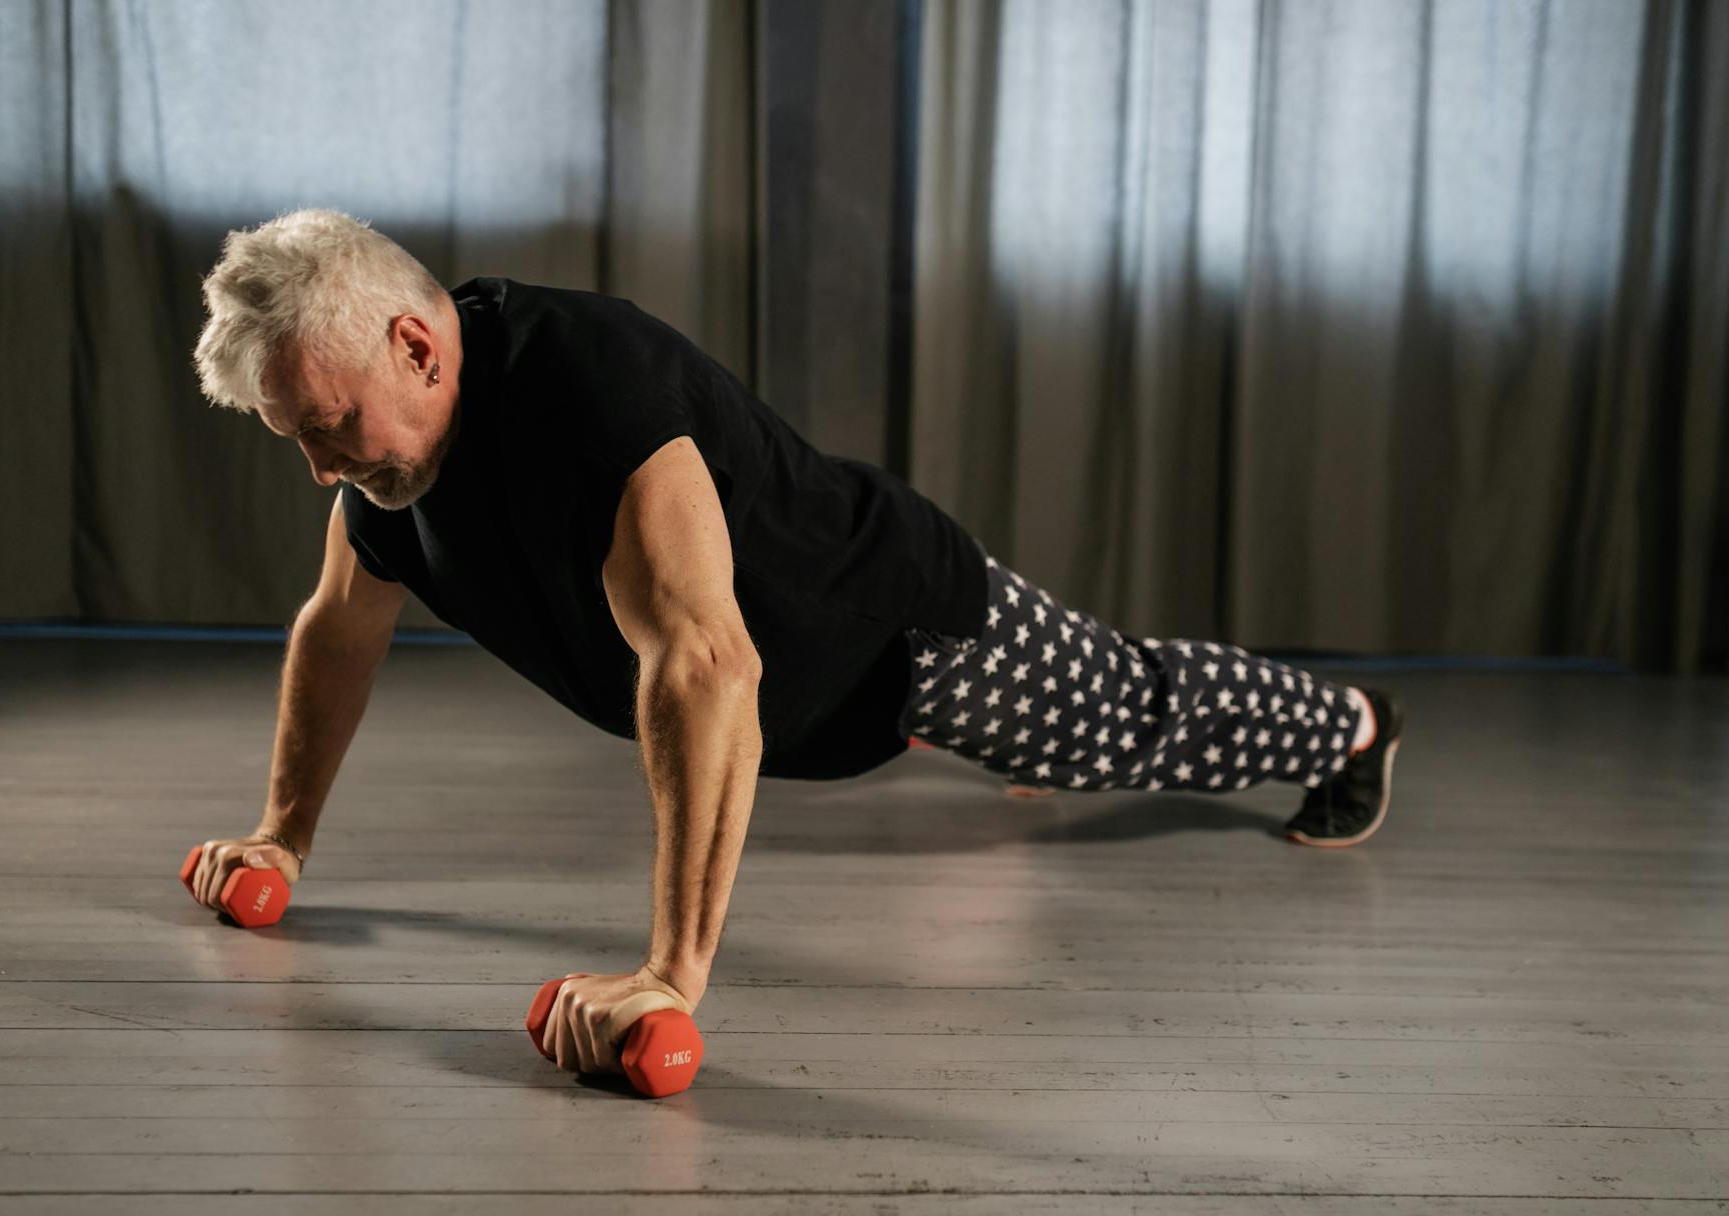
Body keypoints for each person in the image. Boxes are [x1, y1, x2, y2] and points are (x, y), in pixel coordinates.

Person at [186, 208, 1406, 1082]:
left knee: (1124, 719)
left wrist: (671, 975)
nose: (322, 467)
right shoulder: (389, 481)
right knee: (1073, 742)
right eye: (296, 438)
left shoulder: (590, 390)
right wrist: (281, 833)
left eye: (332, 425)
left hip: (895, 636)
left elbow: (710, 664)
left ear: (415, 344)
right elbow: (336, 626)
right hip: (808, 704)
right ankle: (1057, 755)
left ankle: (1352, 726)